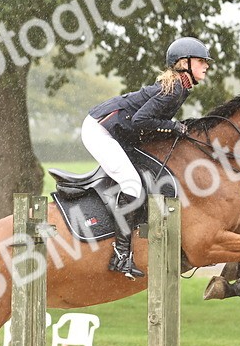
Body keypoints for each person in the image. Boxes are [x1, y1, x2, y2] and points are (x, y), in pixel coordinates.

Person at [82, 37, 211, 278]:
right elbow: (141, 120)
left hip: (118, 131)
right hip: (99, 130)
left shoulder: (179, 89)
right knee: (132, 184)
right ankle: (121, 256)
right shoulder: (174, 90)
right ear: (184, 63)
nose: (206, 66)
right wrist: (173, 127)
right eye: (202, 61)